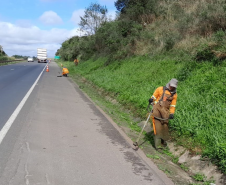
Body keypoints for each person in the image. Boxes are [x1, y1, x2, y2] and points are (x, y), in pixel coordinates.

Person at [149, 78, 178, 150]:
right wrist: (151, 99)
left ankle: (163, 144)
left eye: (174, 86)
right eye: (171, 86)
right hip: (157, 110)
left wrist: (171, 113)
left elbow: (173, 105)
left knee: (164, 127)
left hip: (165, 112)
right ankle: (158, 146)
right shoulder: (160, 89)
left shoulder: (174, 95)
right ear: (169, 84)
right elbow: (154, 96)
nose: (172, 87)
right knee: (157, 127)